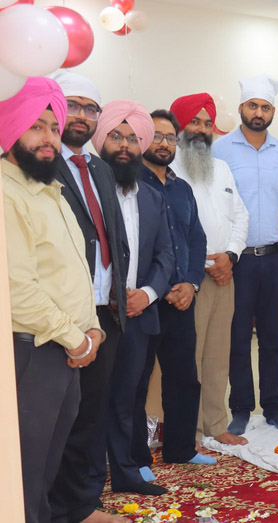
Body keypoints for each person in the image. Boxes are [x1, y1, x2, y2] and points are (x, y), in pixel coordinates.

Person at [2, 77, 111, 523]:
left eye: (53, 127)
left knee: (46, 468)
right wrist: (77, 339)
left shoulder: (50, 190)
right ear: (10, 128)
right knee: (23, 476)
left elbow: (73, 273)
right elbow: (18, 289)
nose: (48, 138)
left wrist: (92, 329)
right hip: (33, 351)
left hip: (64, 348)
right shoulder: (6, 194)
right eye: (36, 126)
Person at [48, 71, 131, 523]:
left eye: (90, 108)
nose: (81, 116)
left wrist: (117, 295)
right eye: (72, 105)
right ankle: (55, 506)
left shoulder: (99, 167)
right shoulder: (41, 162)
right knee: (58, 418)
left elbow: (114, 235)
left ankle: (81, 504)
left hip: (105, 313)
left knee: (90, 414)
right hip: (60, 315)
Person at [90, 101, 175, 498]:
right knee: (92, 401)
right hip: (97, 314)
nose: (124, 145)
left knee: (127, 399)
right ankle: (88, 484)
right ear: (101, 140)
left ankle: (125, 472)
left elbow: (165, 254)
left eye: (131, 138)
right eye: (116, 136)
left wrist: (147, 294)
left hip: (140, 313)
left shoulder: (152, 197)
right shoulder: (88, 190)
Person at [212, 75, 278, 434]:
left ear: (272, 112)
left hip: (277, 257)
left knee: (273, 337)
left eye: (265, 107)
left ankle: (274, 406)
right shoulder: (220, 151)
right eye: (253, 106)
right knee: (237, 337)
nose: (258, 112)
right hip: (238, 260)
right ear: (241, 108)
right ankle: (241, 407)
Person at [132, 107, 213, 471]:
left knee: (184, 378)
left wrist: (191, 283)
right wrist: (159, 287)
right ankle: (135, 458)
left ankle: (181, 449)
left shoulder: (182, 188)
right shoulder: (130, 184)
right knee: (137, 380)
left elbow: (196, 238)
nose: (164, 143)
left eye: (170, 137)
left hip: (183, 298)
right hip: (146, 301)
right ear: (142, 139)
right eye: (157, 136)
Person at [169, 93, 251, 447]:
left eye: (207, 123)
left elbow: (241, 216)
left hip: (224, 274)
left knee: (218, 355)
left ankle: (216, 423)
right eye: (194, 122)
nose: (202, 130)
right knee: (188, 357)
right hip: (188, 279)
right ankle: (188, 431)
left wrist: (230, 256)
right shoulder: (169, 169)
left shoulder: (222, 168)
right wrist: (206, 263)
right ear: (179, 126)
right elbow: (173, 229)